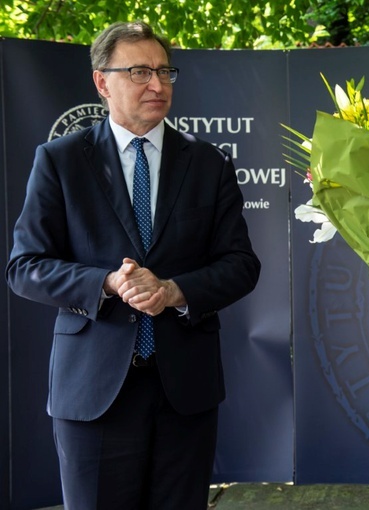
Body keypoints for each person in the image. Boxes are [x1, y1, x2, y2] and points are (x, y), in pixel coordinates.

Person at [5, 21, 260, 509]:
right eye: (139, 71)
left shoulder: (209, 164)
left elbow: (241, 264)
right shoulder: (60, 161)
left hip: (184, 390)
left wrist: (173, 291)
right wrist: (106, 283)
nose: (158, 86)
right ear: (103, 82)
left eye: (165, 72)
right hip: (93, 390)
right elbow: (25, 266)